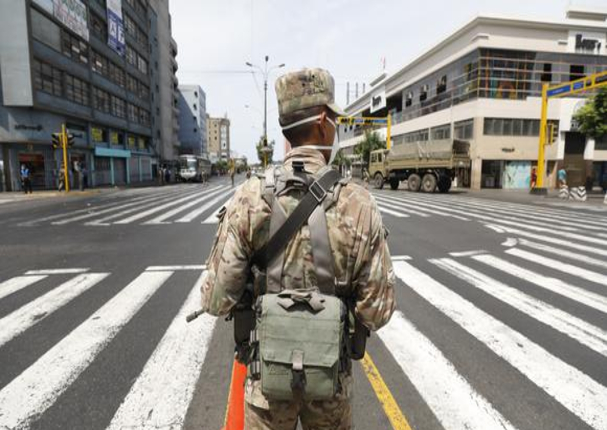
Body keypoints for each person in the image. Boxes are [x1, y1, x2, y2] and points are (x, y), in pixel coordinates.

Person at [199, 68, 395, 430]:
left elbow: (216, 300)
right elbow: (377, 311)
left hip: (267, 388)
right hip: (330, 387)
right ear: (323, 122)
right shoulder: (358, 204)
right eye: (335, 119)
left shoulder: (249, 198)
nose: (335, 126)